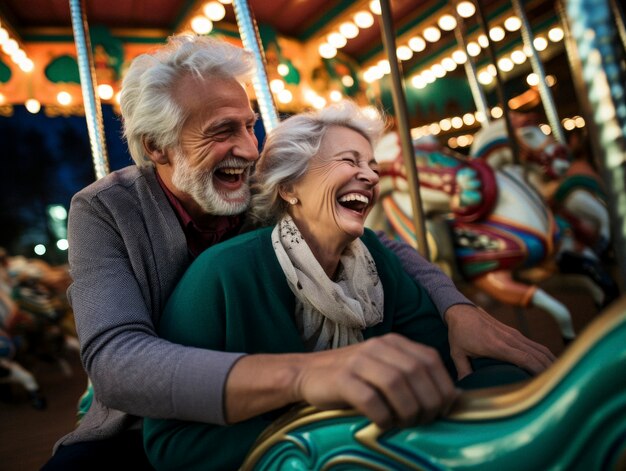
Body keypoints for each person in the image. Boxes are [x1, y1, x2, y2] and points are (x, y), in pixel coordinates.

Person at [42, 34, 554, 470]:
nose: (248, 147)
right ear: (158, 147)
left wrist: (454, 306)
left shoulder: (254, 185)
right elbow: (116, 360)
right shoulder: (105, 210)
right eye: (223, 131)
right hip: (150, 421)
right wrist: (305, 375)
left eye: (249, 124)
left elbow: (381, 245)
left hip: (274, 405)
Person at [143, 102, 536, 470]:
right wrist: (334, 431)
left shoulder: (374, 262)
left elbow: (441, 360)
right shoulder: (225, 274)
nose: (369, 175)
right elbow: (171, 443)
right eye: (349, 161)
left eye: (372, 166)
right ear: (289, 187)